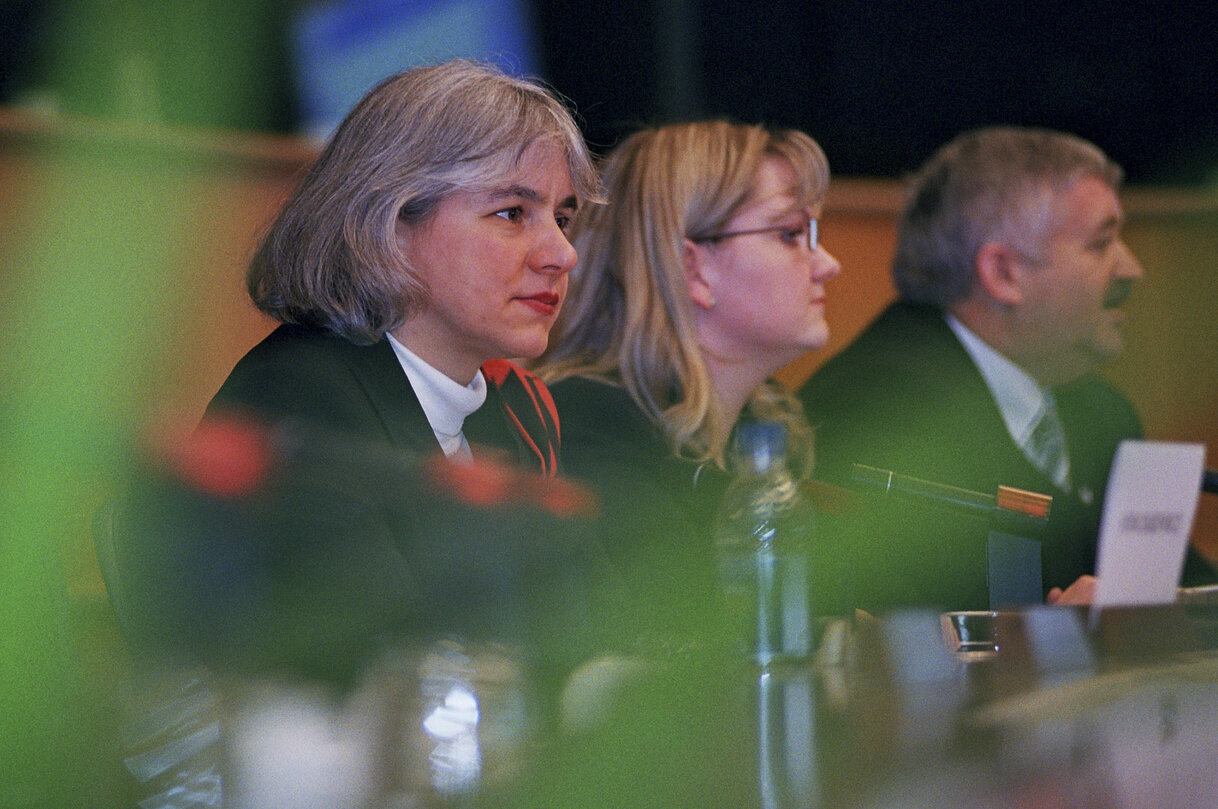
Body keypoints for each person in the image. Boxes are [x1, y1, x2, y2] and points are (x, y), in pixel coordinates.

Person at [799, 126, 1154, 612]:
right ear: (1004, 274)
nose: (1131, 268)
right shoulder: (872, 411)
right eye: (1101, 244)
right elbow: (900, 643)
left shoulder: (1104, 412)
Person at [534, 120, 843, 643]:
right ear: (693, 269)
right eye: (792, 234)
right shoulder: (587, 431)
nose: (829, 265)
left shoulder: (767, 427)